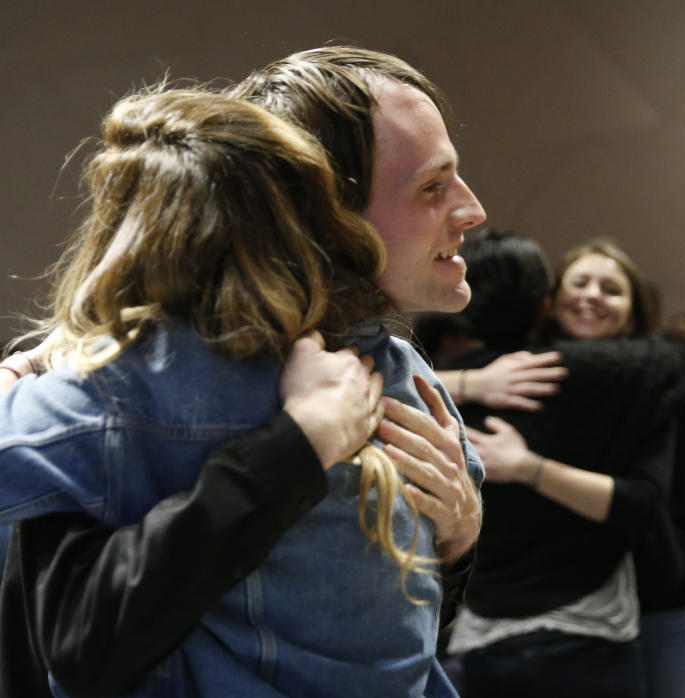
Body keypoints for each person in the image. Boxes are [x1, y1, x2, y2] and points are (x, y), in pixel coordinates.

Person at [0, 46, 487, 697]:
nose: (472, 208)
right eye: (431, 186)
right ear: (324, 215)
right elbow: (76, 642)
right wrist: (296, 446)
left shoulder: (403, 375)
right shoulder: (143, 386)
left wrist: (457, 542)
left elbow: (393, 643)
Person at [452, 238, 685, 698]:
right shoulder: (512, 375)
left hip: (661, 597)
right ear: (549, 303)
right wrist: (471, 380)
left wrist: (527, 466)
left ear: (635, 314)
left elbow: (643, 503)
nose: (593, 295)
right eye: (580, 283)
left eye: (612, 289)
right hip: (565, 615)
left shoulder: (649, 382)